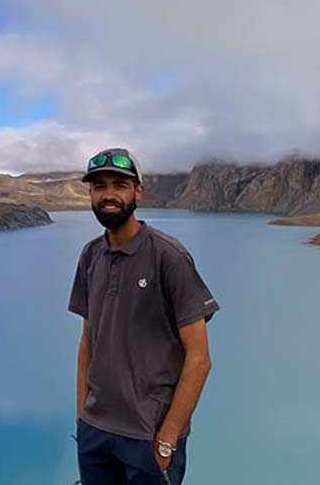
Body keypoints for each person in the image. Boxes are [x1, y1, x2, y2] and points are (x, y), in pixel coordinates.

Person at [69, 148, 218, 484]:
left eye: (120, 185)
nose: (109, 195)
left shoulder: (169, 257)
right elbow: (88, 341)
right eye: (99, 186)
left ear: (138, 191)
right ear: (90, 194)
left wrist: (167, 440)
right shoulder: (90, 255)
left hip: (148, 438)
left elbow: (199, 359)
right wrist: (82, 418)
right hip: (95, 434)